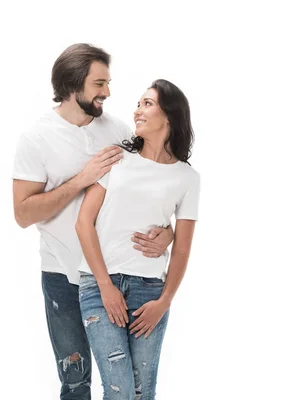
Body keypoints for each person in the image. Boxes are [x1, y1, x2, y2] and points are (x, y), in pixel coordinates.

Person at [12, 44, 174, 400]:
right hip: (63, 277)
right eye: (99, 83)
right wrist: (81, 179)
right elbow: (23, 214)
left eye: (108, 82)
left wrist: (169, 233)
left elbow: (154, 192)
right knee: (75, 382)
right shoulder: (36, 138)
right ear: (73, 84)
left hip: (120, 276)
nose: (108, 92)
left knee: (126, 385)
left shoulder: (118, 131)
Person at [75, 79, 199, 400]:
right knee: (121, 391)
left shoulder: (187, 178)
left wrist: (164, 302)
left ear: (169, 115)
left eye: (147, 104)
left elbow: (182, 246)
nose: (137, 111)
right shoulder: (116, 159)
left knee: (144, 393)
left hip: (150, 292)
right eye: (138, 104)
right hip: (100, 286)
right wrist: (105, 285)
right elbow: (83, 223)